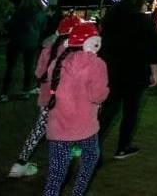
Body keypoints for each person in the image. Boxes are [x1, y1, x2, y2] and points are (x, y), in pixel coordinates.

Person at [8, 14, 82, 178]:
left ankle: (19, 164)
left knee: (38, 130)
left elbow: (39, 73)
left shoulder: (48, 48)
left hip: (47, 98)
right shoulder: (76, 52)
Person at [41, 22, 109, 196]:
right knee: (90, 159)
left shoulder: (57, 62)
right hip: (85, 127)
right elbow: (98, 96)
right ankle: (77, 193)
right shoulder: (97, 64)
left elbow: (48, 90)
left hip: (58, 127)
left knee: (55, 175)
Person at [97, 0, 157, 160]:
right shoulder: (146, 22)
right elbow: (155, 50)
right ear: (140, 5)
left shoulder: (112, 20)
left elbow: (102, 45)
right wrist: (155, 73)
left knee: (109, 110)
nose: (147, 7)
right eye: (146, 4)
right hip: (136, 72)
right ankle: (122, 147)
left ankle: (92, 145)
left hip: (113, 71)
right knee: (130, 112)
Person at [1, 0, 48, 102]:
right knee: (29, 68)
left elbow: (9, 26)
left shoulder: (18, 12)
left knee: (10, 68)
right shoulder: (41, 14)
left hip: (16, 42)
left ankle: (4, 93)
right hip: (32, 43)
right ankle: (25, 91)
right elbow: (43, 29)